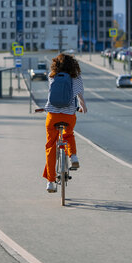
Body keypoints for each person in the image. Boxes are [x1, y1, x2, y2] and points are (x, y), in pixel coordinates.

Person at [42, 54, 87, 193]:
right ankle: (73, 156)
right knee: (68, 135)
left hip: (52, 115)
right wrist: (82, 106)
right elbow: (80, 95)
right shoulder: (76, 77)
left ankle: (50, 182)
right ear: (73, 64)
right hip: (68, 115)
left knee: (50, 145)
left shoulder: (52, 75)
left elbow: (51, 93)